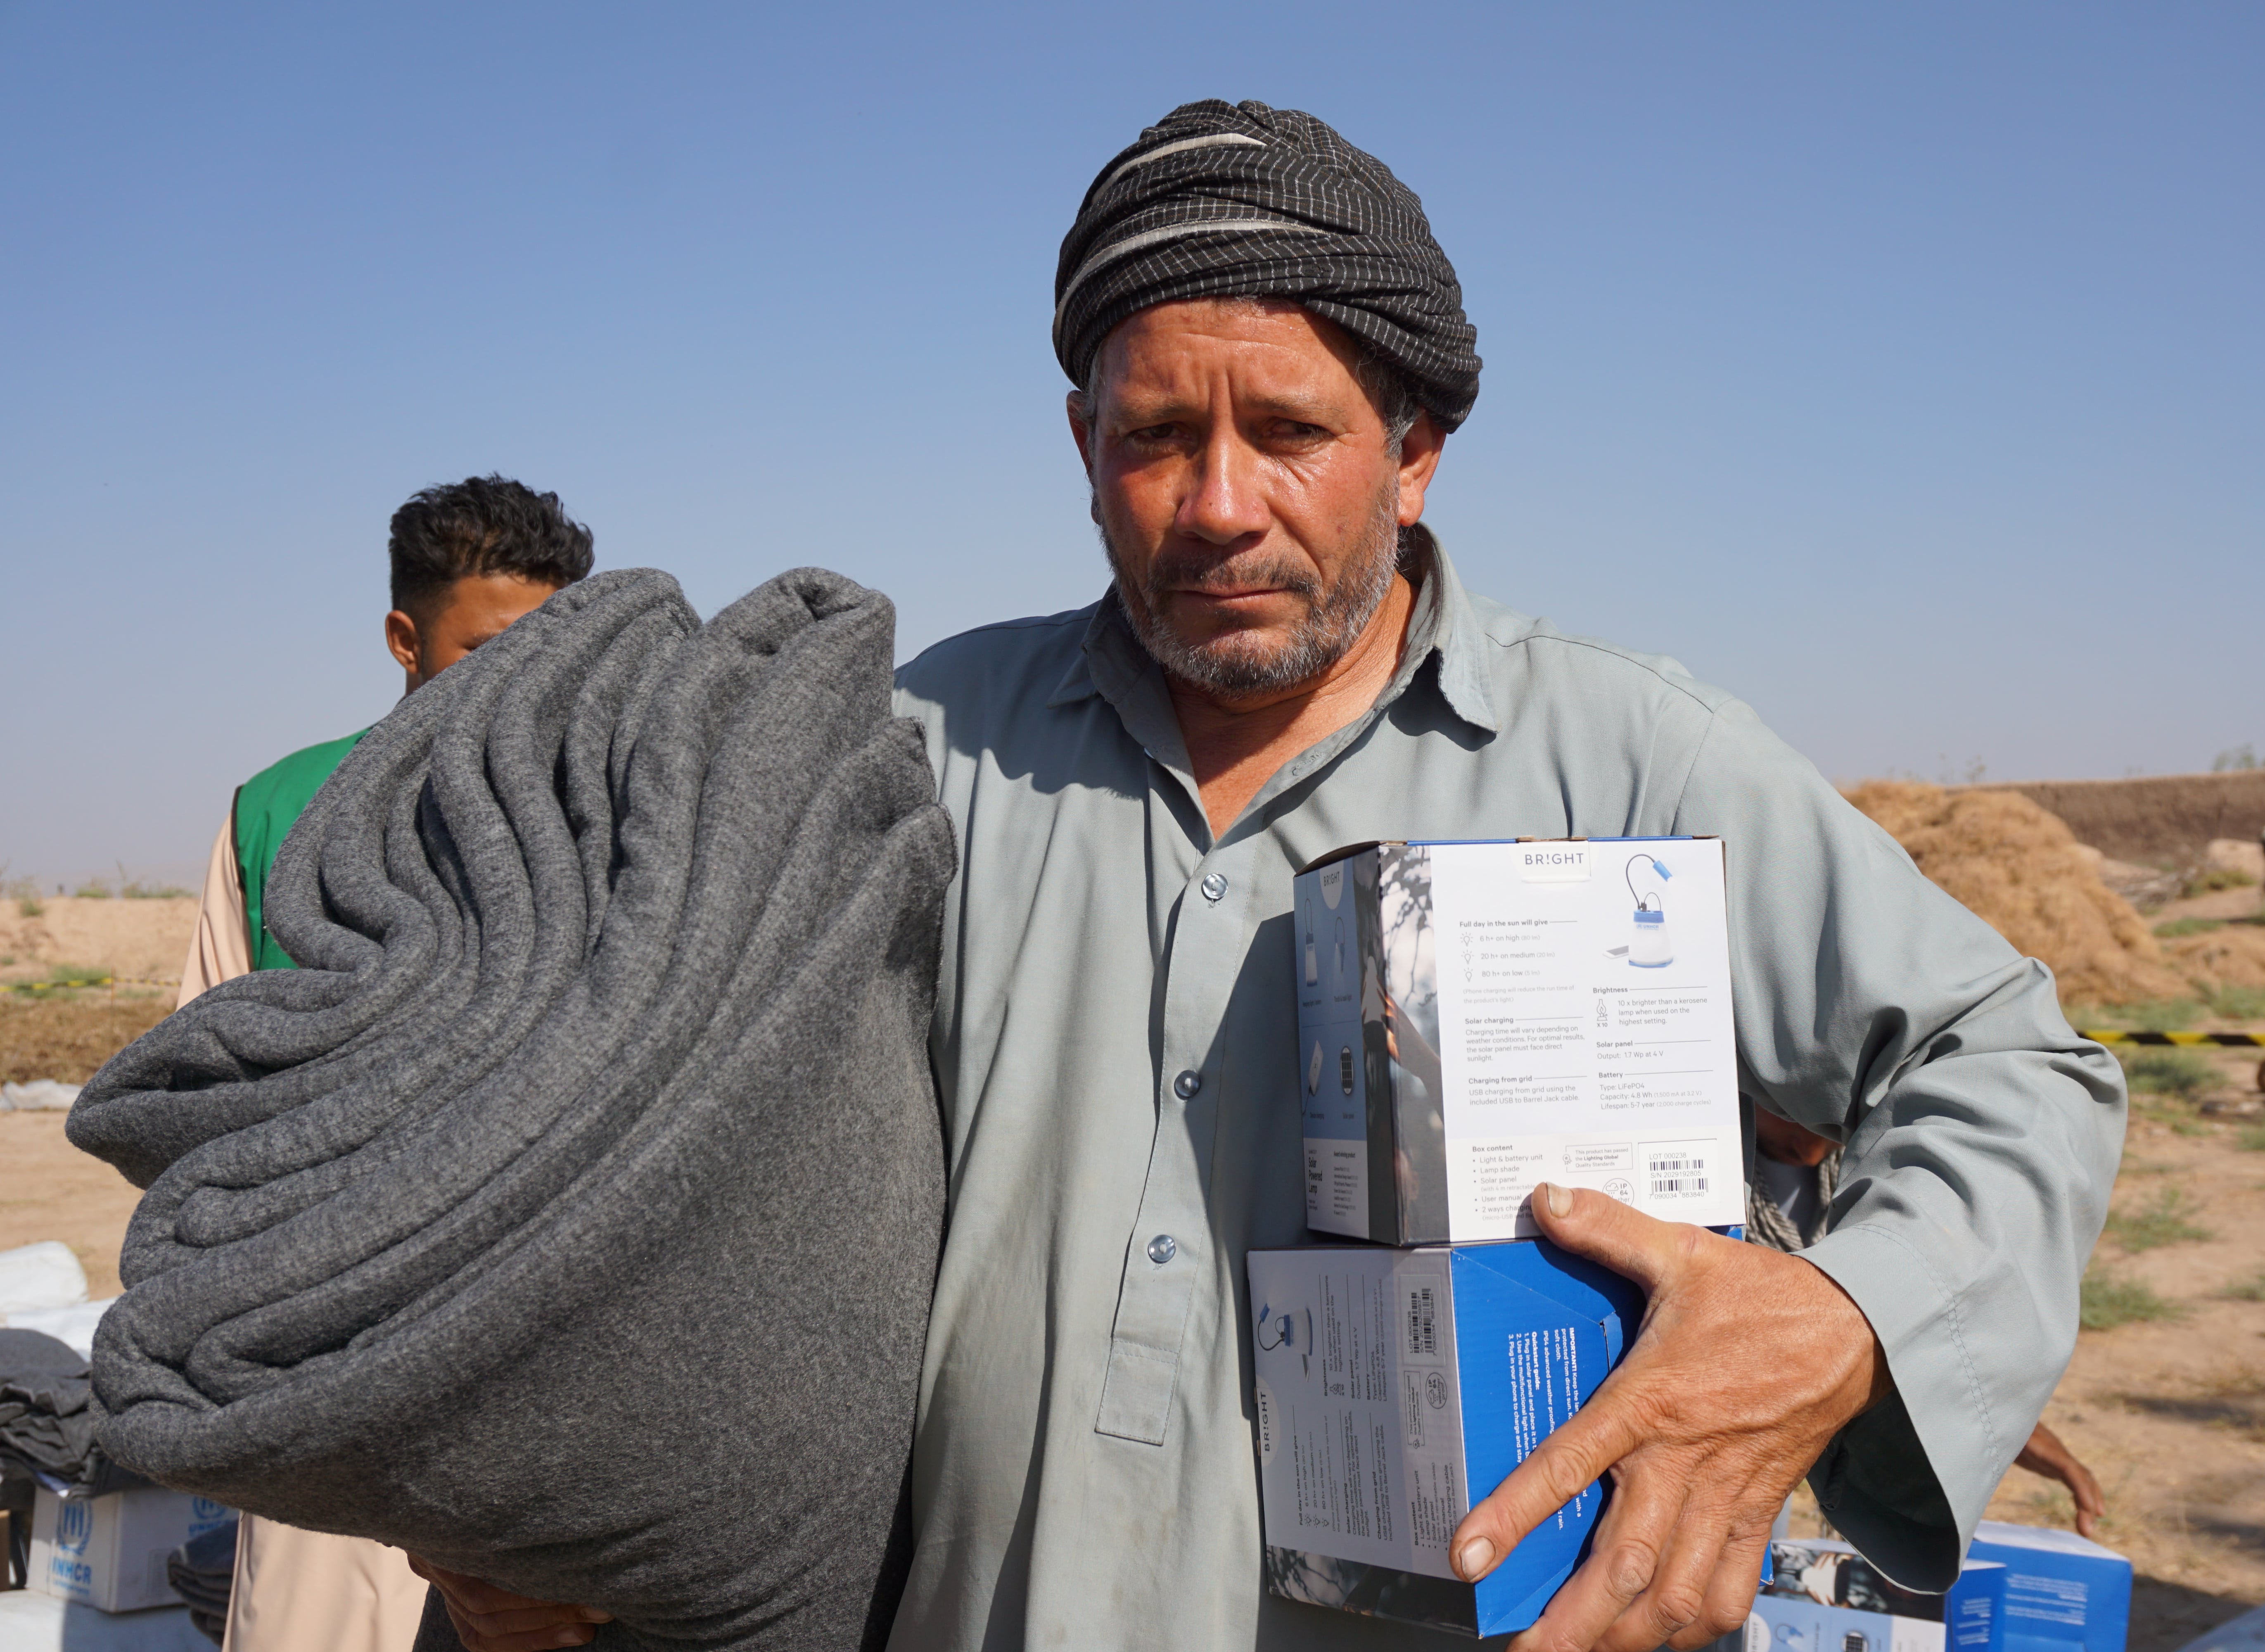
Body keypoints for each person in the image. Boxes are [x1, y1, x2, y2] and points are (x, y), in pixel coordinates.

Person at [424, 100, 2123, 1652]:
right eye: (1157, 437)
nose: (1219, 505)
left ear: (1416, 444)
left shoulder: (1632, 762)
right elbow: (675, 1145)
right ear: (1082, 443)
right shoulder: (920, 748)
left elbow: (2012, 1063)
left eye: (1291, 432)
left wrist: (1833, 1316)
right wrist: (557, 1495)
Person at [174, 475, 595, 1652]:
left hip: (540, 1363)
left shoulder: (618, 813)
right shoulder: (279, 816)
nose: (529, 684)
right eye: (490, 649)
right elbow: (198, 1112)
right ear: (406, 639)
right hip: (321, 1369)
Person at [1746, 1104, 2108, 1540]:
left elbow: (1898, 1320)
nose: (1808, 1144)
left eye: (1823, 1120)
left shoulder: (1877, 1167)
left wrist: (2002, 1426)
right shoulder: (1706, 1182)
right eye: (1787, 1112)